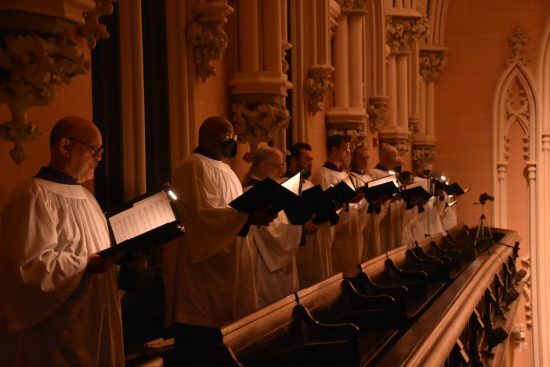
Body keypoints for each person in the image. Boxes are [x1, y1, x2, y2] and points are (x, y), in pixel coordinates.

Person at [0, 116, 124, 366]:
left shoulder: (87, 198)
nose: (99, 158)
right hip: (58, 335)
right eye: (94, 150)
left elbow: (100, 257)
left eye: (101, 152)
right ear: (65, 147)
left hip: (93, 322)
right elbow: (28, 269)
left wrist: (127, 263)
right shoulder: (33, 196)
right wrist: (83, 264)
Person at [162, 116, 275, 365]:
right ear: (205, 138)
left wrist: (254, 214)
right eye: (226, 138)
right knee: (202, 346)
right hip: (203, 272)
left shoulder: (228, 171)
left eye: (233, 138)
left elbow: (231, 212)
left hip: (232, 263)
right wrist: (247, 218)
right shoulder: (191, 166)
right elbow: (200, 218)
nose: (231, 143)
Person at [243, 145, 302, 308]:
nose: (282, 170)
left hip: (278, 258)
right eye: (278, 165)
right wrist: (299, 226)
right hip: (264, 263)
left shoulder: (272, 189)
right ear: (262, 166)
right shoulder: (252, 192)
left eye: (283, 165)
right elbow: (270, 232)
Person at [368, 143, 402, 251]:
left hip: (392, 215)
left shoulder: (393, 175)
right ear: (383, 156)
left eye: (395, 155)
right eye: (392, 154)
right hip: (380, 215)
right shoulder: (373, 173)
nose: (395, 158)